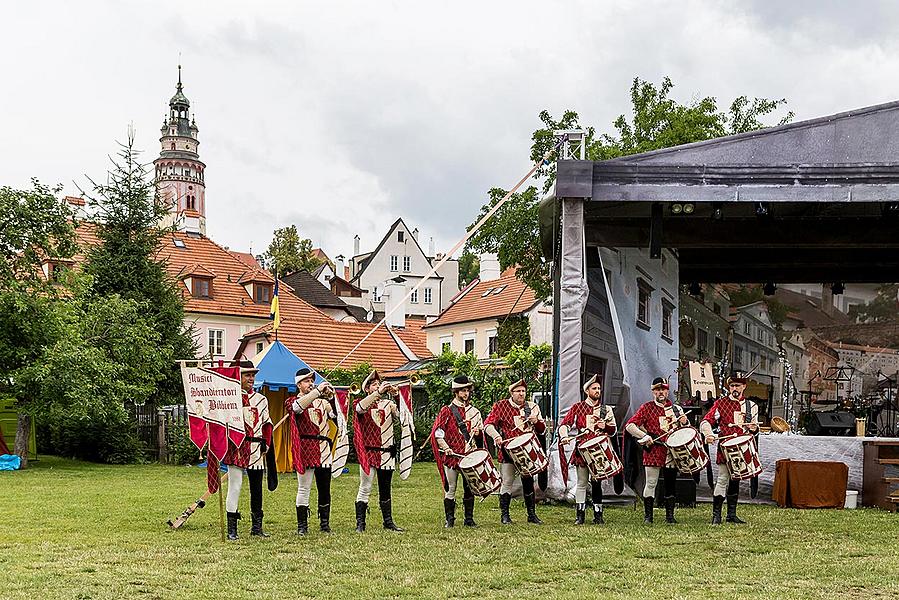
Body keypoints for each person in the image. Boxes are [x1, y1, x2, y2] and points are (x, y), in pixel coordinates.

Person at [624, 377, 688, 524]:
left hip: (672, 452)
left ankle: (670, 516)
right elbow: (630, 426)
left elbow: (684, 430)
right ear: (653, 391)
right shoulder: (646, 408)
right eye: (658, 389)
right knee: (651, 483)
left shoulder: (676, 409)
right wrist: (645, 436)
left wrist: (685, 422)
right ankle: (648, 516)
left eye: (664, 389)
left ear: (667, 391)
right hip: (653, 449)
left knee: (671, 483)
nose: (661, 392)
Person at [557, 374, 618, 525]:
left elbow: (614, 431)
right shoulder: (577, 407)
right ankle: (580, 515)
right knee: (582, 482)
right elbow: (565, 424)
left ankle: (598, 515)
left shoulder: (606, 409)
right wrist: (564, 435)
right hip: (582, 450)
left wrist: (606, 427)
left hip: (599, 451)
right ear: (587, 390)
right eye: (594, 388)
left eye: (598, 388)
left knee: (597, 482)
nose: (597, 391)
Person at [699, 371, 759, 525]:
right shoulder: (721, 403)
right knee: (723, 479)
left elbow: (754, 429)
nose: (734, 388)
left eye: (737, 385)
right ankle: (716, 515)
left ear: (744, 386)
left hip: (742, 447)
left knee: (736, 480)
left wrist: (753, 428)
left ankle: (731, 514)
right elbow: (706, 421)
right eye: (732, 385)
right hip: (725, 447)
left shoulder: (751, 406)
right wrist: (708, 433)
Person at [484, 378, 545, 525]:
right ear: (512, 393)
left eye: (523, 391)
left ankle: (531, 515)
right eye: (518, 391)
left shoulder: (533, 406)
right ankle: (505, 515)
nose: (521, 394)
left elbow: (542, 431)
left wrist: (536, 421)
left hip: (528, 451)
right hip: (508, 451)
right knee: (507, 481)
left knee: (528, 481)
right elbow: (488, 425)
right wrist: (497, 436)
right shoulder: (500, 406)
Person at [222, 360, 272, 540]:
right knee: (235, 486)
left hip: (256, 448)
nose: (251, 378)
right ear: (238, 376)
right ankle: (232, 529)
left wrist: (266, 444)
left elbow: (267, 424)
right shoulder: (229, 398)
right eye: (247, 375)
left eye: (253, 375)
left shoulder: (261, 399)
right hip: (236, 446)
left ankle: (257, 527)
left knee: (257, 488)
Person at [285, 367, 336, 535]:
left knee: (324, 488)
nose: (311, 383)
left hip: (324, 448)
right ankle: (302, 526)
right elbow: (297, 408)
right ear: (298, 384)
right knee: (304, 488)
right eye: (307, 381)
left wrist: (333, 397)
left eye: (312, 380)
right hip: (306, 448)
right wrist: (317, 391)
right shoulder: (291, 400)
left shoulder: (323, 403)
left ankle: (325, 523)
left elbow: (336, 416)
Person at [429, 375, 484, 528]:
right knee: (451, 488)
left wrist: (478, 432)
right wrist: (446, 447)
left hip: (468, 455)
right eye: (462, 391)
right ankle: (450, 519)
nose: (466, 394)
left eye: (467, 390)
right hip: (452, 455)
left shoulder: (475, 412)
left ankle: (469, 519)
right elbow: (438, 432)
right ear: (456, 392)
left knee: (470, 487)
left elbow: (481, 433)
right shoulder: (447, 411)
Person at [352, 369, 403, 532]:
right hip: (368, 452)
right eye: (374, 385)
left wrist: (397, 396)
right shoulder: (361, 403)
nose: (378, 386)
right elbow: (360, 409)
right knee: (365, 487)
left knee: (385, 488)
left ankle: (388, 521)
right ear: (367, 389)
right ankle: (360, 523)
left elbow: (403, 417)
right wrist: (377, 393)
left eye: (378, 384)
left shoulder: (388, 405)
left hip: (387, 453)